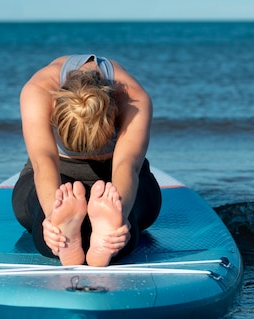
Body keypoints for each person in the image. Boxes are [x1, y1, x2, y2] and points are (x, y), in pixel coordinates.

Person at [12, 55, 161, 266]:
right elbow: (43, 162)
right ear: (56, 111)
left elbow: (127, 164)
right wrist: (52, 217)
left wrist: (120, 217)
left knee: (123, 222)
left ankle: (104, 237)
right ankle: (64, 233)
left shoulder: (132, 97)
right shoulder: (39, 90)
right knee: (45, 217)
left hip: (114, 178)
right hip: (58, 176)